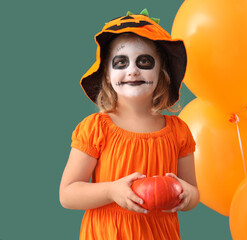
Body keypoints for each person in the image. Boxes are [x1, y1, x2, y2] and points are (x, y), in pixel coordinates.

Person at [59, 9, 199, 240]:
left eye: (144, 61)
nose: (132, 70)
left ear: (160, 72)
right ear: (106, 74)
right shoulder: (96, 128)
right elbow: (67, 194)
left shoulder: (178, 131)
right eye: (121, 62)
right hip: (107, 233)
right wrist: (111, 191)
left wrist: (185, 196)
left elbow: (193, 192)